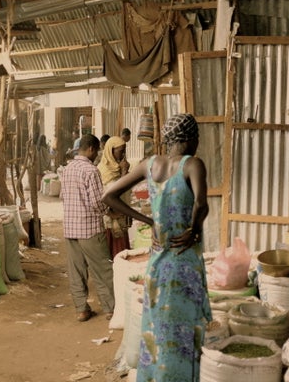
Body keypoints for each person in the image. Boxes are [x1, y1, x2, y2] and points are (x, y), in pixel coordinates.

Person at [103, 113, 211, 382]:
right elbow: (201, 203)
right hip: (183, 265)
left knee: (157, 333)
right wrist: (193, 230)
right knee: (183, 335)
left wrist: (148, 220)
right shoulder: (192, 164)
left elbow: (109, 195)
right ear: (190, 139)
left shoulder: (148, 165)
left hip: (157, 266)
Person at [60, 133, 115, 322]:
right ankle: (111, 309)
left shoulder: (67, 169)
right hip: (89, 229)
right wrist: (110, 210)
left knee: (76, 271)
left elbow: (63, 197)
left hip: (70, 228)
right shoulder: (91, 171)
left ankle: (81, 309)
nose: (97, 155)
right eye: (97, 151)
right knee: (103, 270)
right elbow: (97, 203)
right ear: (91, 149)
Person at [97, 136, 132, 258]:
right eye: (120, 151)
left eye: (124, 151)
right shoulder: (102, 170)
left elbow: (126, 193)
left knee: (122, 256)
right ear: (110, 151)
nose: (123, 154)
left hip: (121, 217)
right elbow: (114, 193)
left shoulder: (121, 168)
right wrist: (123, 173)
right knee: (112, 255)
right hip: (109, 220)